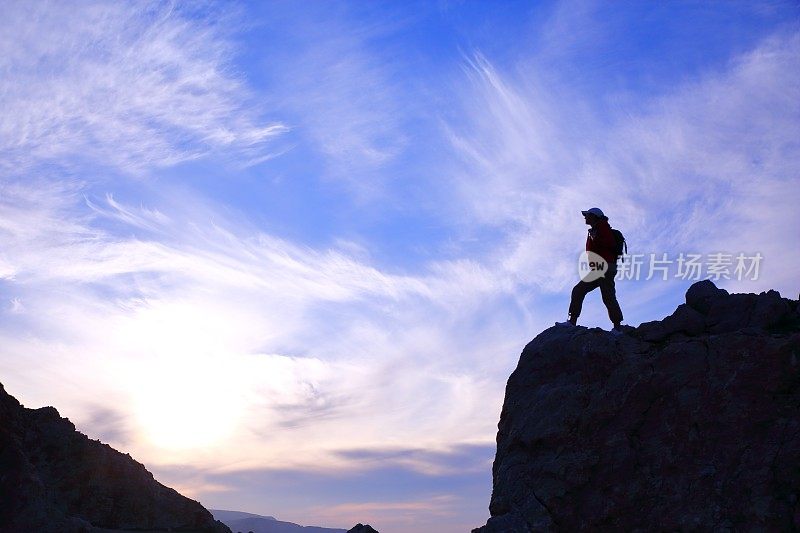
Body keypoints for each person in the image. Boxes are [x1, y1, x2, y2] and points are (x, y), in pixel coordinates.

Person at [558, 207, 624, 333]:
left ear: (594, 216)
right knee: (579, 290)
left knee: (607, 296)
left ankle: (618, 327)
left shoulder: (602, 226)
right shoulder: (594, 229)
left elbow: (608, 244)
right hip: (599, 268)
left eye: (587, 215)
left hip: (605, 267)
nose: (585, 217)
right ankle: (572, 321)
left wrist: (596, 237)